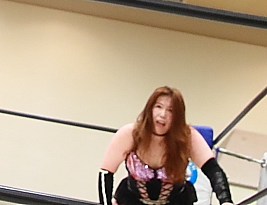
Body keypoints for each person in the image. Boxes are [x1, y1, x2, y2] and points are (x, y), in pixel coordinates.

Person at [98, 86, 233, 205]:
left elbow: (213, 170)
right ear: (150, 109)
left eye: (170, 110)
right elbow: (106, 172)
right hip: (132, 200)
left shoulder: (187, 137)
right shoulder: (130, 134)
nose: (163, 115)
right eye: (158, 107)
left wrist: (226, 201)